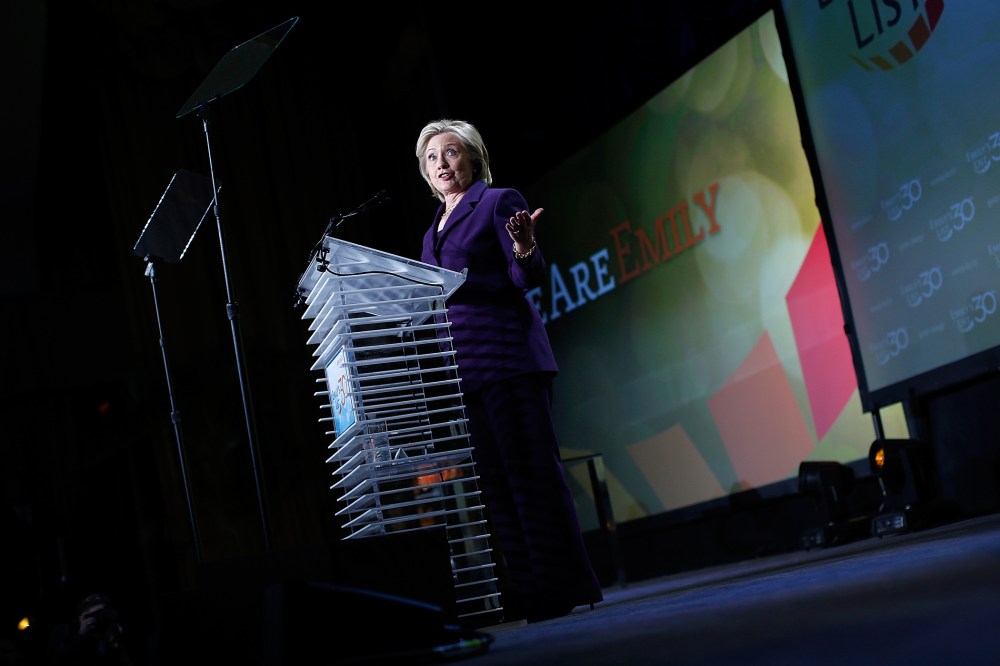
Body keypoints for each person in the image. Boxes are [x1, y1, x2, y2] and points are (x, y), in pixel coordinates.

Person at [414, 119, 603, 623]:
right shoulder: (430, 235)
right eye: (432, 159)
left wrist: (524, 246)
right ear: (426, 175)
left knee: (531, 478)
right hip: (466, 374)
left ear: (472, 158)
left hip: (509, 361)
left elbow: (525, 276)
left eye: (451, 153)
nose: (442, 164)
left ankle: (559, 586)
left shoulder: (497, 202)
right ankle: (524, 590)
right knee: (495, 487)